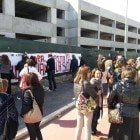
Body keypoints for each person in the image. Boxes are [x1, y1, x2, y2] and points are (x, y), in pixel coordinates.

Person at [108, 66, 140, 140]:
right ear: (134, 76)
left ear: (123, 75)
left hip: (120, 114)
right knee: (133, 135)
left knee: (118, 135)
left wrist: (113, 107)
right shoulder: (138, 87)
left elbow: (110, 99)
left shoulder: (118, 85)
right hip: (134, 115)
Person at [74, 66, 99, 140]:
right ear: (85, 73)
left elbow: (76, 94)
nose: (90, 73)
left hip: (78, 104)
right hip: (87, 104)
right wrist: (97, 94)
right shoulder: (86, 83)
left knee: (79, 127)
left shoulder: (76, 81)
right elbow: (94, 95)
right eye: (89, 72)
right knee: (88, 127)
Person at [21, 73, 45, 140]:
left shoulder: (28, 91)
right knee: (37, 130)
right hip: (39, 113)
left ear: (28, 80)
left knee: (32, 134)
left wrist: (22, 113)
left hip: (30, 115)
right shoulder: (41, 87)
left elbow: (26, 105)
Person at [90, 69, 103, 135]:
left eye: (99, 73)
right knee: (93, 117)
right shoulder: (92, 81)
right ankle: (92, 132)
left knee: (96, 117)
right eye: (97, 73)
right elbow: (90, 92)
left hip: (98, 102)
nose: (98, 75)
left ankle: (94, 130)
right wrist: (97, 93)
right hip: (92, 103)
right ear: (94, 74)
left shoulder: (99, 81)